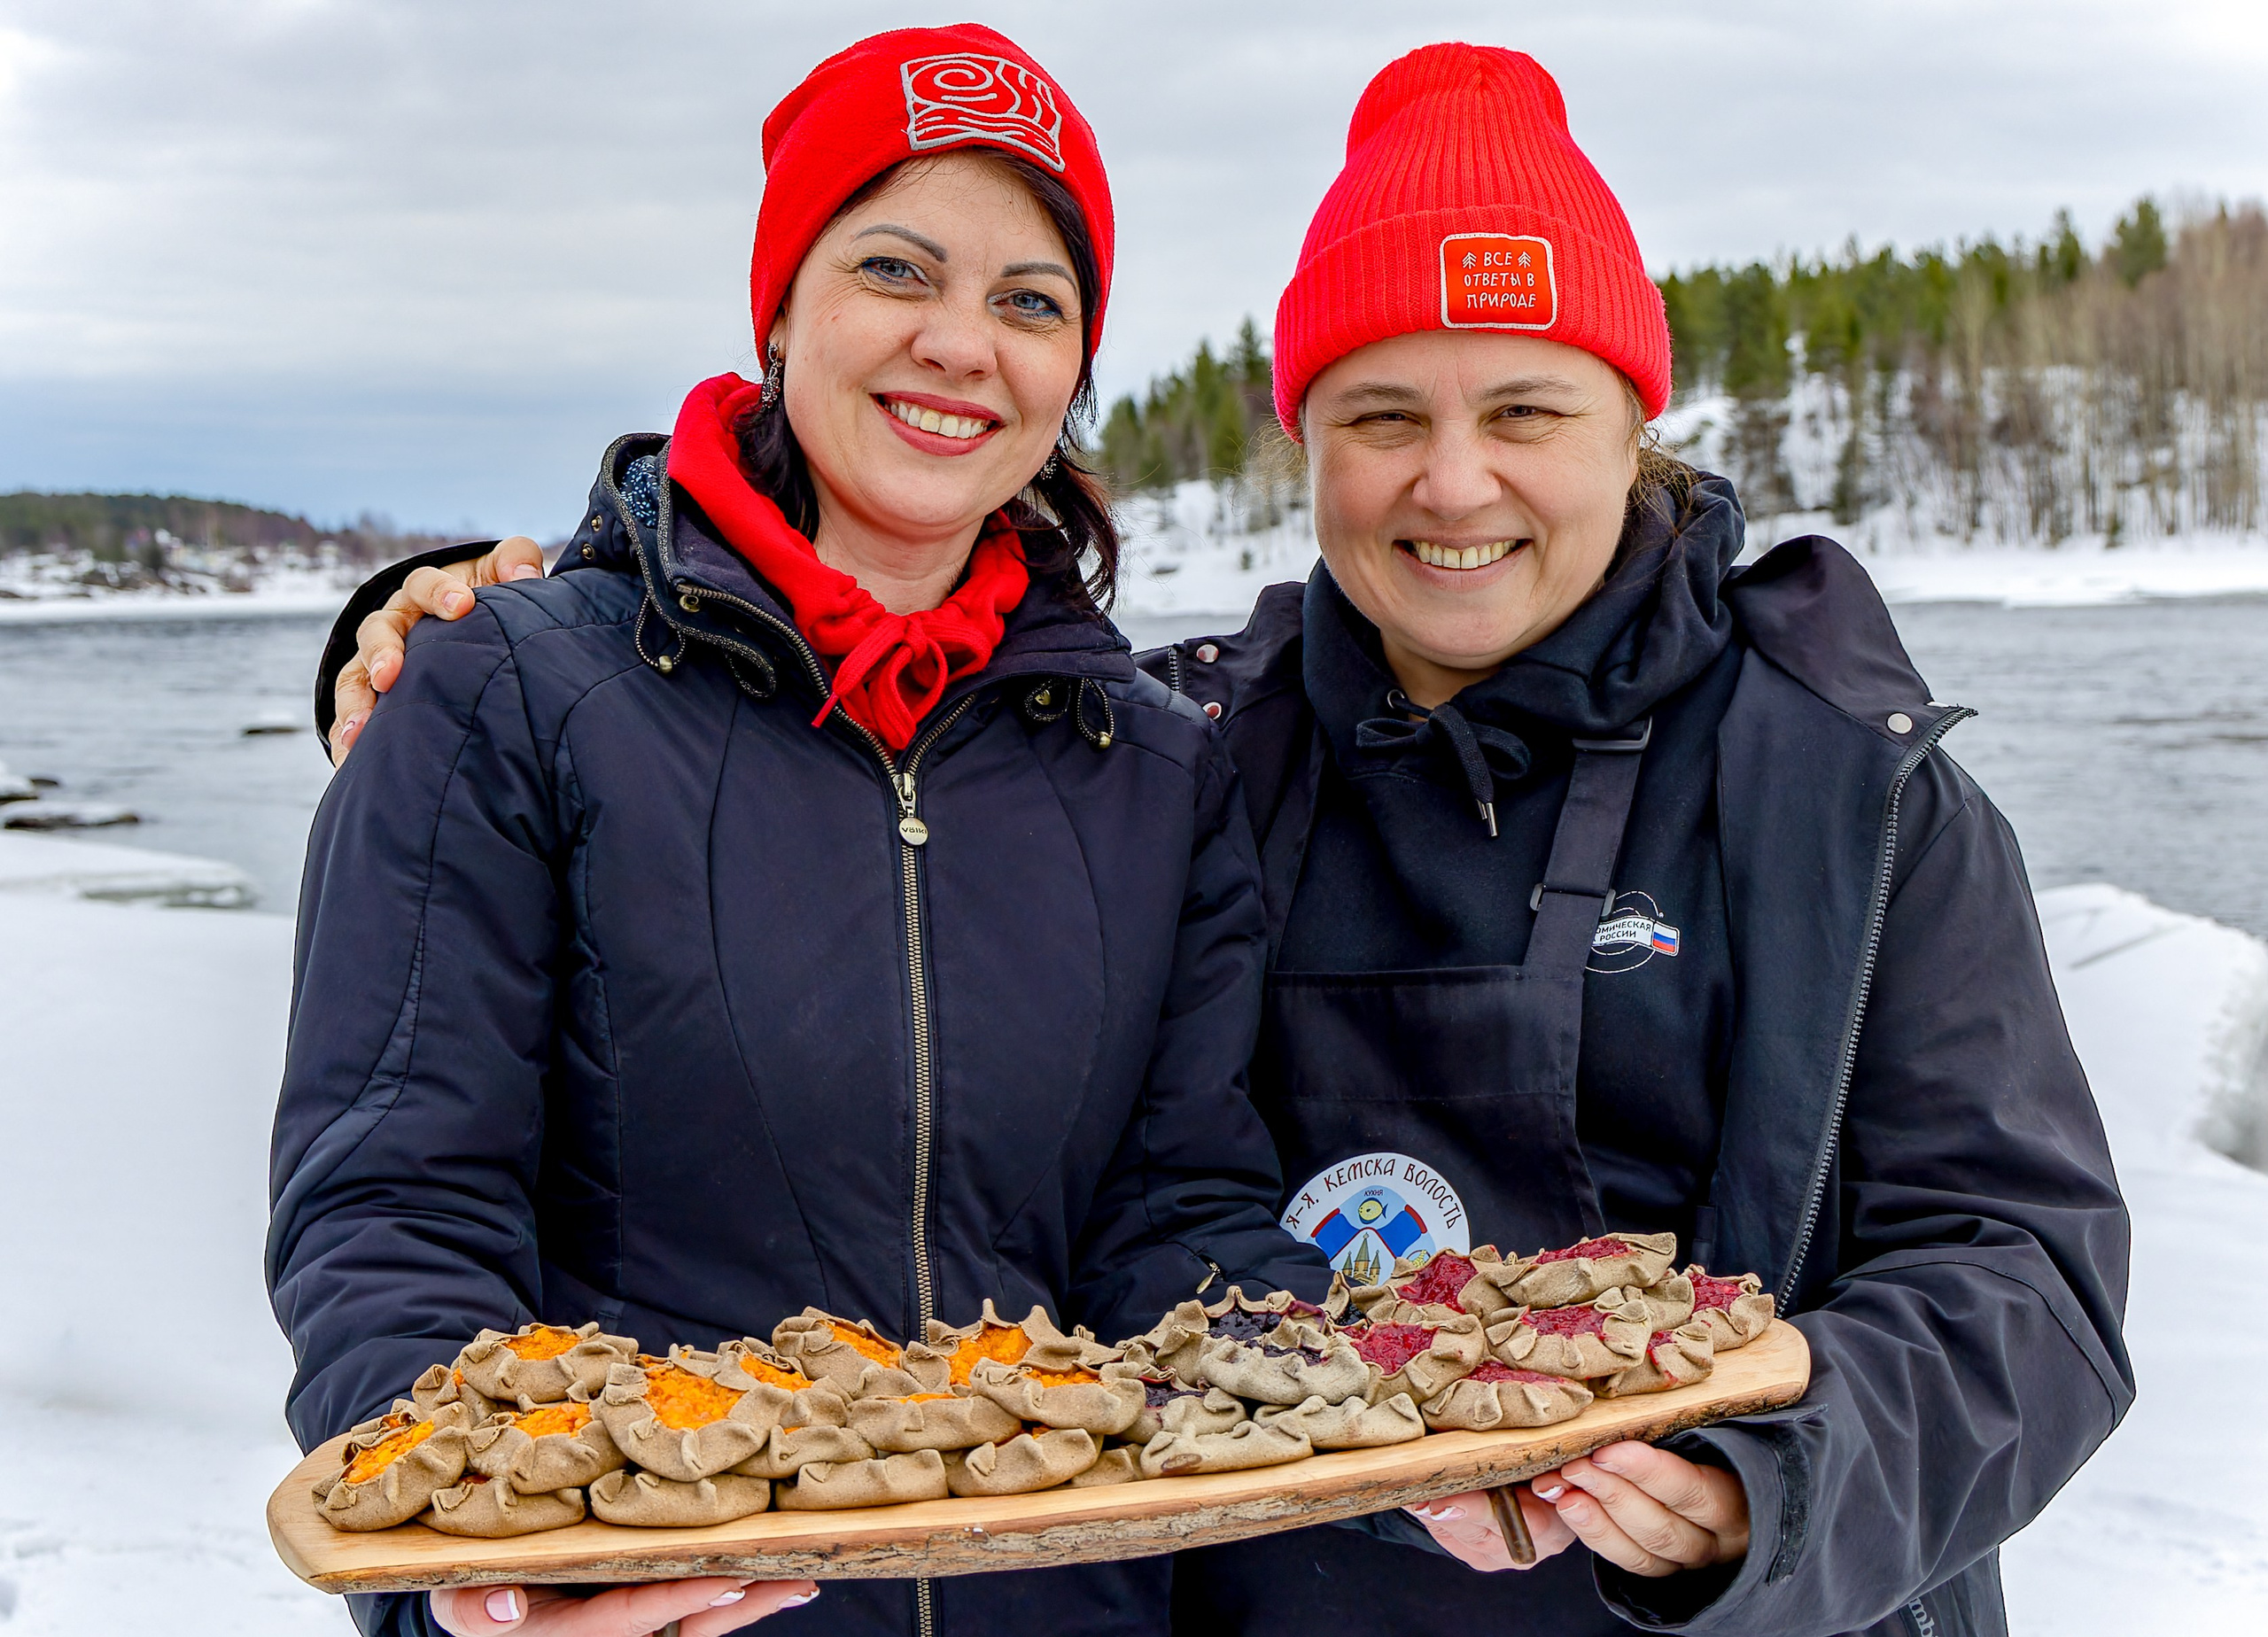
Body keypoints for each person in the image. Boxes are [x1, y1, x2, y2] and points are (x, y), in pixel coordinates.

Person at [322, 42, 2132, 1637]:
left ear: (1633, 425)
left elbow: (2023, 1279)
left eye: (1524, 410)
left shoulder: (1848, 794)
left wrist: (1766, 1485)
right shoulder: (1189, 739)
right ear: (1303, 447)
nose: (1450, 482)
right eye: (1378, 418)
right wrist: (446, 610)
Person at [268, 26, 1322, 1637]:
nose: (963, 345)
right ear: (782, 308)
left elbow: (1173, 1210)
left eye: (1031, 302)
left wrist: (1353, 1396)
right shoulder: (509, 692)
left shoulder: (1153, 768)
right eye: (898, 269)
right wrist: (473, 1560)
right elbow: (396, 1202)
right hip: (654, 1605)